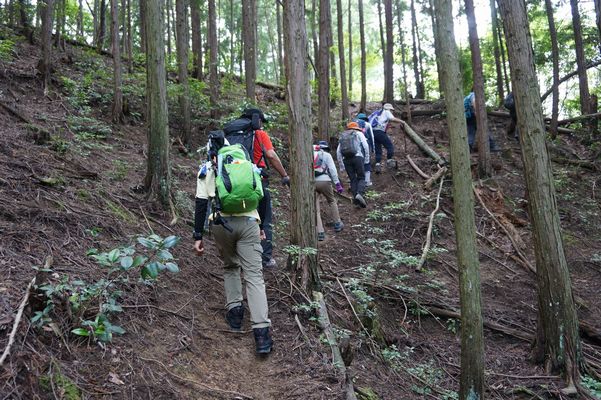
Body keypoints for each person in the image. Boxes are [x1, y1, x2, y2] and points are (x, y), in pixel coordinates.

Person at [193, 131, 272, 354]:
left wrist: (198, 236)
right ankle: (262, 335)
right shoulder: (245, 164)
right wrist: (262, 227)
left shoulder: (208, 169)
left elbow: (201, 204)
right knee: (254, 276)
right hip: (249, 223)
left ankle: (235, 314)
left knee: (230, 267)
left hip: (221, 224)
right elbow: (262, 195)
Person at [223, 108, 289, 269]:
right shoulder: (259, 134)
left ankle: (237, 256)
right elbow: (271, 155)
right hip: (257, 181)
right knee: (264, 219)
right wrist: (284, 175)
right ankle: (265, 258)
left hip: (232, 183)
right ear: (256, 120)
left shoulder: (229, 135)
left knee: (239, 217)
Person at [313, 140, 344, 241]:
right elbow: (333, 170)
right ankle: (337, 223)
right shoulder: (327, 155)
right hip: (325, 181)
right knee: (331, 201)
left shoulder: (310, 154)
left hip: (311, 182)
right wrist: (337, 184)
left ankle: (320, 232)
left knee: (316, 208)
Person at [337, 121, 370, 208]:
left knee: (353, 179)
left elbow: (338, 152)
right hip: (358, 157)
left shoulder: (343, 136)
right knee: (361, 177)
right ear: (356, 128)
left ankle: (356, 200)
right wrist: (367, 159)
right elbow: (365, 146)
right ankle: (359, 194)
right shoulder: (359, 133)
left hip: (346, 159)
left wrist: (341, 165)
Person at [369, 103, 402, 174]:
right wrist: (402, 122)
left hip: (373, 133)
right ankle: (389, 161)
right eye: (391, 110)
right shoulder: (386, 111)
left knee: (378, 150)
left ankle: (377, 165)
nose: (392, 111)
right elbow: (392, 118)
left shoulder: (378, 113)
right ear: (389, 109)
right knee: (390, 146)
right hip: (379, 132)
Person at [353, 113, 374, 186]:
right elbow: (371, 136)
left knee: (356, 163)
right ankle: (367, 182)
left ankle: (356, 182)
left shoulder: (352, 124)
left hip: (354, 147)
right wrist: (373, 148)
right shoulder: (367, 124)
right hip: (364, 145)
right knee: (366, 162)